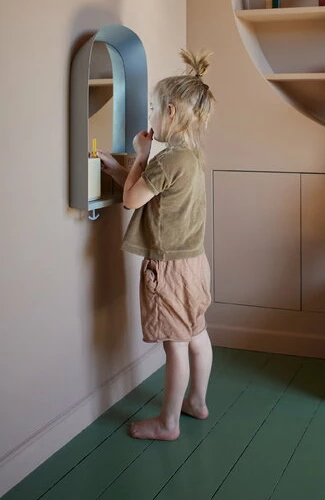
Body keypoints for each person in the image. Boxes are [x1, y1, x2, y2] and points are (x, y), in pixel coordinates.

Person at [98, 49, 215, 441]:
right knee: (197, 335)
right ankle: (196, 401)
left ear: (169, 112)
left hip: (168, 268)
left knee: (175, 345)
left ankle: (168, 423)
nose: (148, 115)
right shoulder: (190, 158)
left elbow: (133, 200)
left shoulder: (165, 160)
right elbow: (148, 193)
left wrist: (141, 155)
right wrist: (119, 169)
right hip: (194, 263)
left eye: (151, 108)